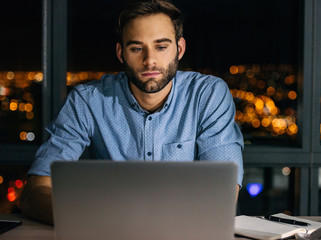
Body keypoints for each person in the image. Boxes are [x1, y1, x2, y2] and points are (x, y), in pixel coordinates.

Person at [20, 0, 244, 225]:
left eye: (161, 46)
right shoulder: (87, 101)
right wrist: (93, 220)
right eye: (136, 48)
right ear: (121, 53)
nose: (149, 61)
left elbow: (222, 194)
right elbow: (35, 192)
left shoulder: (208, 95)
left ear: (180, 49)